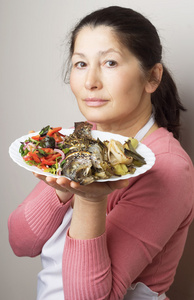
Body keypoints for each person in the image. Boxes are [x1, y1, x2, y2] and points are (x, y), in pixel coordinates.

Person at [8, 6, 194, 300]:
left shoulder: (169, 168)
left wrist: (90, 198)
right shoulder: (81, 136)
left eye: (110, 62)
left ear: (153, 77)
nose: (90, 81)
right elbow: (21, 243)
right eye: (80, 64)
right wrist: (61, 186)